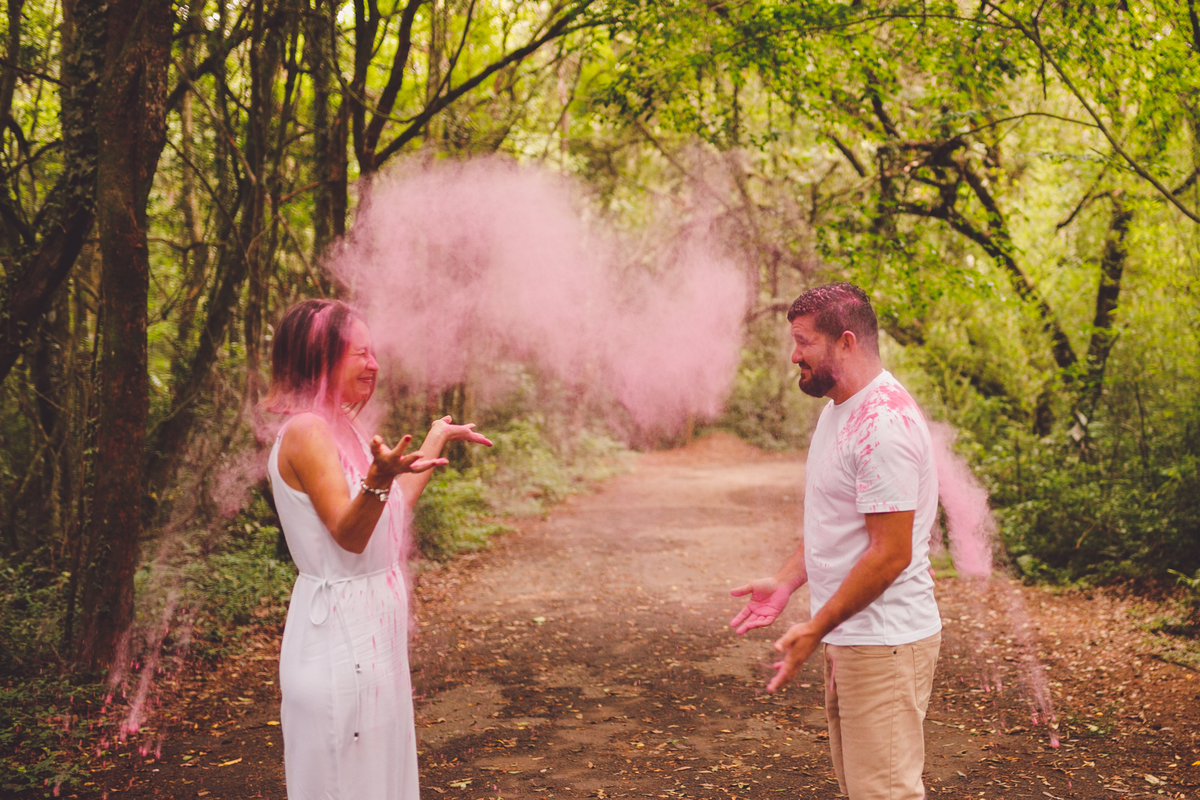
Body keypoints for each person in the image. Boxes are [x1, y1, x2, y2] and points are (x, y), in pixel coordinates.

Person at [263, 298, 492, 800]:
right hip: (336, 642)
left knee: (381, 784)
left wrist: (433, 440)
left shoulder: (343, 426)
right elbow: (349, 534)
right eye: (359, 353)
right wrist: (377, 478)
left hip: (371, 637)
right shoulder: (307, 430)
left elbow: (389, 512)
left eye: (374, 352)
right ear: (318, 357)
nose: (374, 364)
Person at [729, 282, 941, 800]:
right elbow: (836, 525)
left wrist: (816, 625)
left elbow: (891, 553)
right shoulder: (839, 412)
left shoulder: (883, 424)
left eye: (803, 342)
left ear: (846, 342)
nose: (793, 355)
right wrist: (785, 582)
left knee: (885, 793)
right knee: (862, 790)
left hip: (885, 643)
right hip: (854, 639)